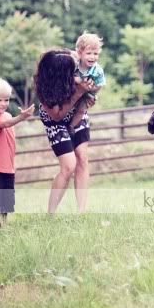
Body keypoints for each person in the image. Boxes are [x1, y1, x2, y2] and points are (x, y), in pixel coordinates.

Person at [33, 48, 96, 213]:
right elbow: (57, 116)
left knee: (82, 157)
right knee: (68, 166)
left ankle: (81, 212)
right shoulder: (44, 89)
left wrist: (89, 97)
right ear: (59, 73)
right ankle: (51, 214)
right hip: (56, 123)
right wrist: (78, 93)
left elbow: (89, 66)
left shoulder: (70, 58)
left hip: (77, 114)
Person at [0, 77, 34, 227]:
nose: (3, 104)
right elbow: (6, 124)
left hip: (8, 167)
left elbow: (9, 123)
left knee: (5, 201)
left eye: (6, 100)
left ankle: (2, 227)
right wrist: (22, 117)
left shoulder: (8, 115)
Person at [69, 32, 106, 131]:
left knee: (81, 110)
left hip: (89, 93)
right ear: (80, 53)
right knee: (69, 102)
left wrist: (92, 89)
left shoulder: (97, 70)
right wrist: (78, 81)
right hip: (73, 90)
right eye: (89, 53)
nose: (92, 57)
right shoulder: (74, 64)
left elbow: (100, 84)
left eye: (95, 54)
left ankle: (71, 127)